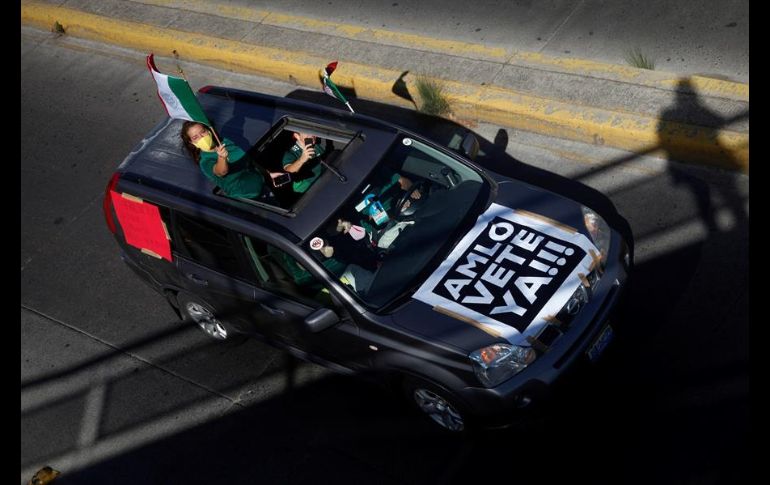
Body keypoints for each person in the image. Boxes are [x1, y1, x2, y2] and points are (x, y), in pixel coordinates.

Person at [181, 121, 284, 200]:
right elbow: (221, 172)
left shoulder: (226, 142)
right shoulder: (205, 161)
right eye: (195, 137)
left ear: (209, 131)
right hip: (247, 200)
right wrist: (222, 157)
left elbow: (248, 161)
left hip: (263, 187)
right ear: (192, 143)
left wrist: (268, 174)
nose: (201, 137)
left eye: (203, 132)